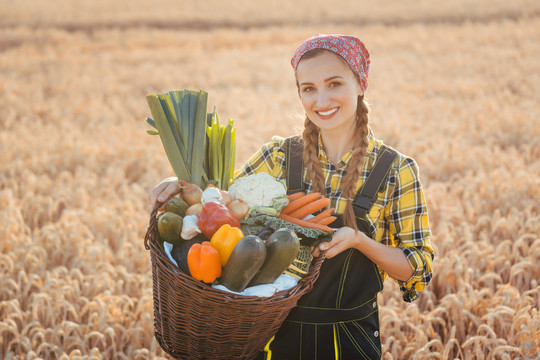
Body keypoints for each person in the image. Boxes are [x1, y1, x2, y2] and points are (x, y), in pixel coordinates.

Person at [149, 34, 434, 359]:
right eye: (308, 88)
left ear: (360, 83)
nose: (321, 100)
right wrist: (181, 185)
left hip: (348, 344)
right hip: (270, 340)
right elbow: (220, 207)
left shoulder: (395, 170)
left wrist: (359, 241)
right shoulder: (279, 156)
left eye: (334, 84)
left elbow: (418, 270)